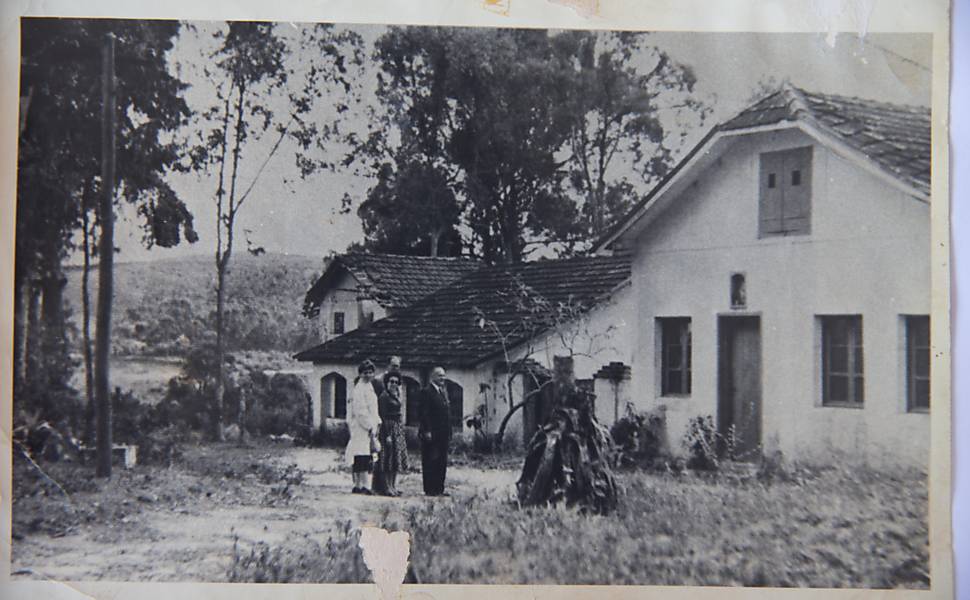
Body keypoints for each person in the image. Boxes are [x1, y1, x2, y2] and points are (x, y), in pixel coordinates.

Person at [345, 359, 381, 495]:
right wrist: (369, 426)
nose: (368, 375)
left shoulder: (369, 387)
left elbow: (373, 409)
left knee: (366, 455)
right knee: (361, 456)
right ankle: (361, 485)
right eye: (365, 373)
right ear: (360, 374)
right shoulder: (359, 389)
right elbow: (361, 411)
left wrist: (377, 423)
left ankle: (362, 485)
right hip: (361, 427)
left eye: (370, 372)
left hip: (369, 426)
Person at [418, 366, 452, 496]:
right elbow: (424, 413)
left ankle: (439, 488)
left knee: (441, 461)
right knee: (430, 460)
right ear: (433, 377)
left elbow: (447, 414)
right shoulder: (426, 392)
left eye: (444, 375)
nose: (442, 378)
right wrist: (427, 430)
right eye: (439, 375)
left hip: (443, 434)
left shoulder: (443, 392)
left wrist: (449, 432)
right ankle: (430, 489)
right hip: (432, 434)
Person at [371, 355, 403, 494]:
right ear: (388, 365)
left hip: (396, 426)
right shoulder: (378, 381)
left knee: (394, 458)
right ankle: (381, 487)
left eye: (398, 366)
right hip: (384, 424)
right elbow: (380, 409)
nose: (396, 368)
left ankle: (391, 486)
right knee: (384, 458)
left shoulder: (398, 386)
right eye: (394, 366)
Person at [376, 372, 409, 496]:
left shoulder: (396, 395)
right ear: (386, 383)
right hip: (388, 428)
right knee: (388, 459)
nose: (393, 384)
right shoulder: (384, 397)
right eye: (391, 382)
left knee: (396, 459)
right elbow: (382, 416)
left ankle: (394, 486)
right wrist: (387, 435)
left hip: (397, 428)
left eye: (396, 382)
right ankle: (387, 486)